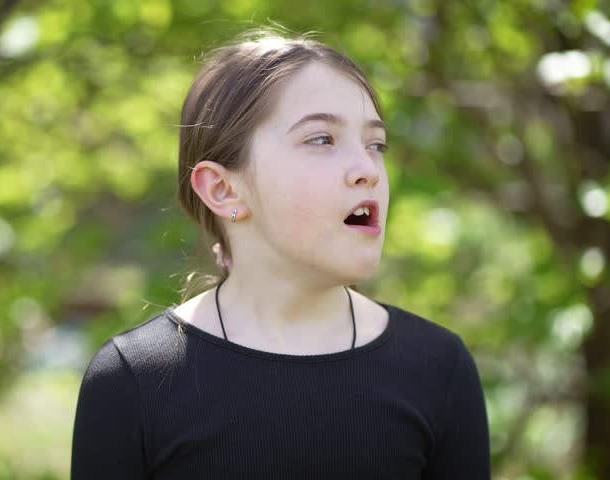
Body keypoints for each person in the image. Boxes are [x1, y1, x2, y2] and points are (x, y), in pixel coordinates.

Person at [70, 29, 491, 479]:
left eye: (376, 145)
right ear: (222, 188)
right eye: (322, 139)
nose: (368, 170)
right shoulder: (132, 381)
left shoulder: (438, 368)